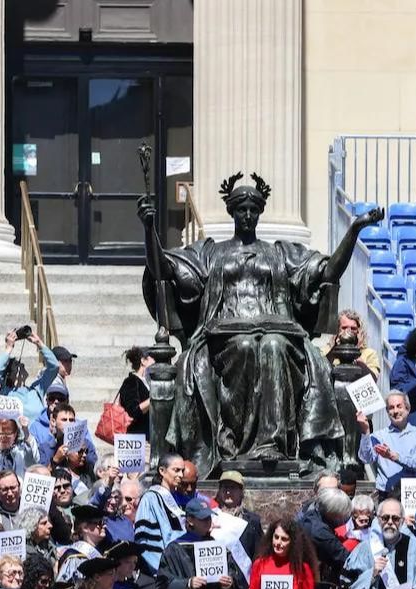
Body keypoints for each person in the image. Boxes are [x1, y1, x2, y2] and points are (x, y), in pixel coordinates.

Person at [139, 185, 380, 476]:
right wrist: (149, 227)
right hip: (224, 336)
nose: (248, 215)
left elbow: (328, 273)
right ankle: (233, 445)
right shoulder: (210, 252)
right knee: (244, 346)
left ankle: (271, 445)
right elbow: (163, 270)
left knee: (273, 346)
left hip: (279, 332)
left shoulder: (279, 253)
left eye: (254, 210)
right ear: (232, 212)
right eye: (242, 210)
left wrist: (354, 230)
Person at [356, 391, 416, 497]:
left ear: (407, 409)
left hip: (412, 494)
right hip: (386, 493)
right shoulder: (378, 436)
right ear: (387, 412)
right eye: (391, 408)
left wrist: (393, 456)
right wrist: (365, 431)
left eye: (399, 406)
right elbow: (366, 458)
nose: (395, 411)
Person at [0, 327, 61, 423]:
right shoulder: (5, 391)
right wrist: (9, 348)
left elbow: (54, 367)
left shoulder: (36, 390)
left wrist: (39, 343)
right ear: (9, 372)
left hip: (36, 437)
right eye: (17, 364)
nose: (22, 365)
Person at [135, 453, 188, 574]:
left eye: (182, 471)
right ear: (162, 471)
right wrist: (162, 571)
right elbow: (146, 540)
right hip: (161, 572)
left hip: (178, 569)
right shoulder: (150, 499)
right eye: (176, 470)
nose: (180, 475)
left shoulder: (178, 500)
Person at [322, 308, 381, 378]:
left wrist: (356, 352)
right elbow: (321, 372)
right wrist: (334, 350)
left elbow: (373, 380)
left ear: (359, 331)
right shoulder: (325, 351)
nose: (348, 331)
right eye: (344, 328)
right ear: (337, 329)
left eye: (353, 328)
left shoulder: (370, 354)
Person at [58, 504, 107, 582]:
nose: (104, 526)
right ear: (85, 528)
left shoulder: (101, 552)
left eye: (104, 522)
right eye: (99, 523)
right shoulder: (74, 557)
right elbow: (65, 587)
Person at [116, 346, 153, 436]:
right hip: (137, 439)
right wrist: (154, 397)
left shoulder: (147, 382)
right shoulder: (131, 381)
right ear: (143, 361)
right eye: (154, 358)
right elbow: (133, 411)